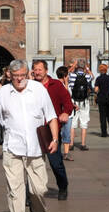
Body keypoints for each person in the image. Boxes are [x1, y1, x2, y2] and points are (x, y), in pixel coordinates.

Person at [0, 60, 58, 212]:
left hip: (35, 148)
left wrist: (55, 139)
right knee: (15, 191)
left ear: (28, 74)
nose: (19, 80)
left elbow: (51, 116)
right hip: (13, 149)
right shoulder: (3, 93)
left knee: (39, 189)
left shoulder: (39, 90)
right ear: (9, 74)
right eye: (15, 76)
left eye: (22, 76)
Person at [32, 60, 73, 200]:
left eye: (39, 70)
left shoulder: (56, 85)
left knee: (55, 163)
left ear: (46, 70)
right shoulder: (29, 86)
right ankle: (31, 194)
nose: (37, 72)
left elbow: (68, 102)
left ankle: (63, 186)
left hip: (51, 130)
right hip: (33, 130)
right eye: (35, 70)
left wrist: (66, 112)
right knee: (31, 164)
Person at [68, 60, 93, 150]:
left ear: (77, 66)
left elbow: (67, 73)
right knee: (84, 123)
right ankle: (83, 144)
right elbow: (92, 76)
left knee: (72, 123)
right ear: (83, 67)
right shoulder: (87, 76)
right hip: (84, 102)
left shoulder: (72, 75)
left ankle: (71, 144)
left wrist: (73, 66)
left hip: (74, 101)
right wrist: (87, 68)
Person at [55, 67, 75, 158]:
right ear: (65, 76)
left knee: (63, 132)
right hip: (64, 114)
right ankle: (64, 153)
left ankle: (64, 152)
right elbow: (65, 96)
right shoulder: (60, 85)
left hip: (65, 112)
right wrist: (66, 83)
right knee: (65, 132)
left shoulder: (56, 84)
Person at [93, 63, 109, 137]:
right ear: (106, 70)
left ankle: (104, 132)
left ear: (100, 70)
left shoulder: (98, 79)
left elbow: (96, 89)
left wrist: (97, 90)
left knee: (102, 116)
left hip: (102, 99)